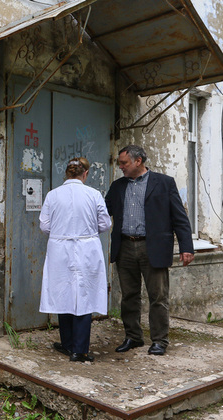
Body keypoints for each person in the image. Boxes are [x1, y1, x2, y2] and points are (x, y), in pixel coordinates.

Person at [105, 145, 194, 356]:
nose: (121, 167)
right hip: (125, 246)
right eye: (119, 163)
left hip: (153, 247)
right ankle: (133, 337)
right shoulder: (117, 186)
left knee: (158, 297)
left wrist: (186, 247)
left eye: (124, 163)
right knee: (129, 296)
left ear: (138, 161)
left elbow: (179, 217)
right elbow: (103, 211)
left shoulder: (164, 183)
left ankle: (159, 341)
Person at [39, 157, 111, 363]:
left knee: (63, 293)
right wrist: (86, 231)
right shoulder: (93, 194)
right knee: (84, 295)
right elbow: (105, 224)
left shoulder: (53, 195)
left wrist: (62, 232)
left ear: (67, 173)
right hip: (87, 248)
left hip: (59, 249)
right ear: (85, 174)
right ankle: (79, 350)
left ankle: (68, 343)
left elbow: (44, 225)